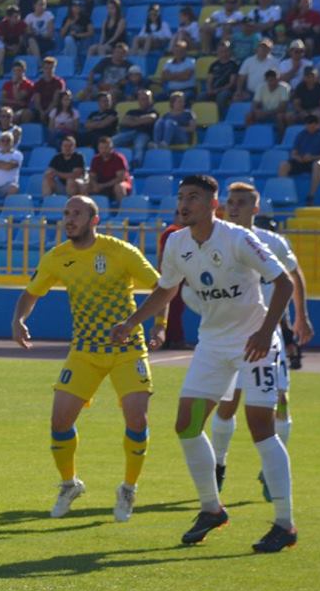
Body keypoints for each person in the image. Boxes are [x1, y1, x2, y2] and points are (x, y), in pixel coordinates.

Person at [109, 175, 297, 553]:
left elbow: (284, 283)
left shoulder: (238, 238)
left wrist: (265, 333)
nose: (184, 203)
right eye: (181, 197)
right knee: (187, 425)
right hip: (212, 343)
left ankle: (284, 523)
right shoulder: (177, 242)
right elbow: (167, 289)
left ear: (214, 205)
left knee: (261, 427)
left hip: (254, 342)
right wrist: (132, 322)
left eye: (193, 197)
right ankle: (212, 509)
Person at [9, 196, 160, 522]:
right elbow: (31, 293)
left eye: (77, 213)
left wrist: (159, 326)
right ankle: (69, 485)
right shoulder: (57, 257)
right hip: (85, 351)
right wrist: (19, 319)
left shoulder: (120, 251)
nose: (69, 218)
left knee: (137, 420)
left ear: (94, 219)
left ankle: (128, 488)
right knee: (59, 422)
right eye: (66, 213)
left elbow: (161, 288)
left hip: (127, 349)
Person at [206, 183, 312, 503]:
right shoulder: (216, 240)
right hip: (232, 336)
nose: (234, 207)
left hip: (269, 336)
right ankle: (219, 464)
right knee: (228, 404)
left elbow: (294, 275)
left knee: (280, 400)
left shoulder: (273, 242)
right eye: (230, 202)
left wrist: (301, 316)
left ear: (255, 208)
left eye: (241, 202)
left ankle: (270, 470)